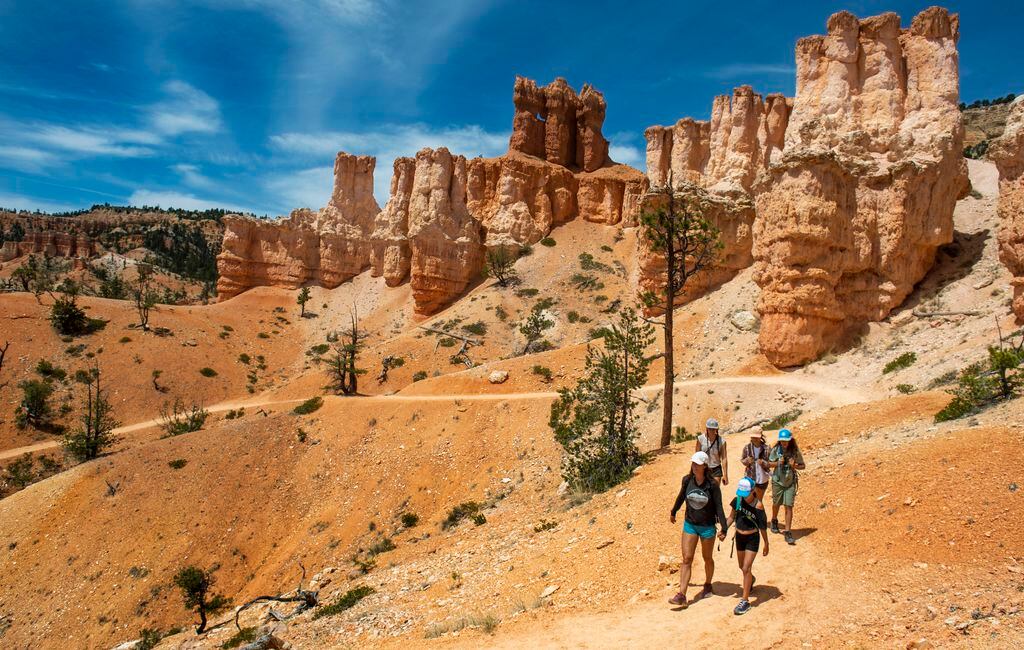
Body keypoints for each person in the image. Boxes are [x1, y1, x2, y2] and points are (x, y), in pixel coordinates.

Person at [668, 451, 728, 608]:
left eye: (697, 464)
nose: (694, 466)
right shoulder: (687, 480)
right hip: (690, 524)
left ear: (705, 466)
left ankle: (708, 584)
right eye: (693, 463)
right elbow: (681, 497)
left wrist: (724, 527)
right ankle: (682, 595)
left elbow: (719, 507)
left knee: (707, 558)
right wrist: (674, 511)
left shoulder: (712, 485)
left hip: (707, 527)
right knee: (687, 558)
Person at [724, 477, 769, 615]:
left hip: (752, 538)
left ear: (753, 490)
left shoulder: (758, 506)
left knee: (745, 567)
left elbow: (762, 527)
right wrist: (723, 530)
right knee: (741, 567)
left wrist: (766, 543)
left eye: (746, 494)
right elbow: (731, 517)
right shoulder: (737, 501)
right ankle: (750, 580)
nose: (743, 497)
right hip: (739, 538)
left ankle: (745, 601)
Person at [768, 428, 805, 545]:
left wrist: (794, 466)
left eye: (786, 440)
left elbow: (803, 466)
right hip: (777, 481)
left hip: (790, 482)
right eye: (782, 440)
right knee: (776, 503)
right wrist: (779, 462)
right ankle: (774, 520)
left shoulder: (795, 451)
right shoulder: (775, 450)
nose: (784, 442)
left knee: (789, 506)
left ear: (790, 440)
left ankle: (788, 531)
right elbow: (769, 463)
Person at [695, 418, 728, 486]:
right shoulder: (700, 439)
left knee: (715, 489)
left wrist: (725, 475)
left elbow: (724, 458)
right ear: (707, 428)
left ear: (716, 429)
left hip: (716, 469)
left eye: (713, 429)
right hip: (704, 468)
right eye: (710, 428)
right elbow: (697, 456)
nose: (712, 431)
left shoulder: (722, 441)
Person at [741, 427, 771, 500]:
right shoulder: (747, 448)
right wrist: (747, 461)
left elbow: (771, 463)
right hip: (750, 478)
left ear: (760, 436)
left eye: (756, 437)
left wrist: (763, 463)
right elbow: (742, 460)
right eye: (753, 437)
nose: (754, 439)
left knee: (758, 501)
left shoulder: (767, 449)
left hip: (763, 479)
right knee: (748, 500)